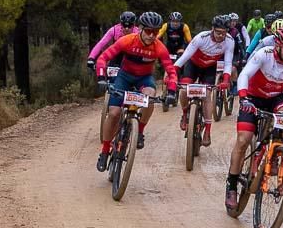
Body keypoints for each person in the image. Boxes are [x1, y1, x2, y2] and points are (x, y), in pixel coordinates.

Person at [226, 26, 283, 211]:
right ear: (278, 45)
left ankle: (276, 153)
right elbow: (244, 74)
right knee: (243, 139)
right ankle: (231, 185)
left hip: (276, 97)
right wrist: (244, 97)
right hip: (253, 97)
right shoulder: (264, 53)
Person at [93, 12, 177, 171]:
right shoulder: (127, 40)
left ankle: (140, 132)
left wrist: (171, 91)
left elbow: (171, 72)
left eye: (156, 32)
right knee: (114, 113)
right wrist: (101, 77)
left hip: (144, 78)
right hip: (124, 77)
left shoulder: (159, 47)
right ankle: (104, 151)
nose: (152, 35)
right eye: (148, 31)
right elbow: (103, 58)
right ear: (140, 29)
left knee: (150, 97)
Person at [172, 15, 235, 146]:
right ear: (212, 29)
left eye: (224, 33)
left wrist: (226, 79)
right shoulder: (201, 37)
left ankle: (207, 130)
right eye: (218, 32)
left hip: (209, 68)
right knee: (184, 90)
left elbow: (228, 62)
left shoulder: (229, 41)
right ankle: (184, 114)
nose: (221, 36)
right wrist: (172, 73)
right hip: (193, 65)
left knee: (207, 95)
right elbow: (185, 56)